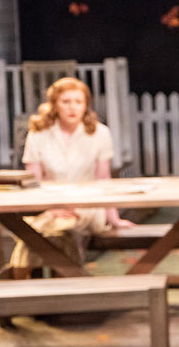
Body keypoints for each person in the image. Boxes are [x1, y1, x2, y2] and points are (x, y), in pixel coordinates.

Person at [10, 77, 134, 278]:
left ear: (86, 105)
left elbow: (103, 179)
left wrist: (114, 218)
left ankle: (55, 283)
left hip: (87, 204)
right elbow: (32, 181)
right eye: (65, 102)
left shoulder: (100, 134)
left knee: (63, 229)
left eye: (78, 102)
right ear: (54, 105)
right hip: (50, 205)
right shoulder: (39, 134)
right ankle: (34, 286)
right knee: (38, 234)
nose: (72, 108)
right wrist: (52, 206)